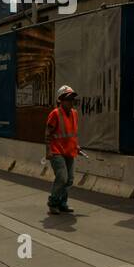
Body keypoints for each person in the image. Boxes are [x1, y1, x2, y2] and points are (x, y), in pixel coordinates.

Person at [46, 83, 82, 215]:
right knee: (62, 177)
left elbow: (72, 133)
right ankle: (53, 202)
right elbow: (48, 133)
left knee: (70, 179)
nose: (71, 101)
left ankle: (62, 202)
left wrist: (76, 146)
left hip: (69, 151)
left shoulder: (74, 113)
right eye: (68, 99)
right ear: (61, 100)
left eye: (72, 99)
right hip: (56, 151)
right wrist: (48, 151)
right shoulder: (55, 114)